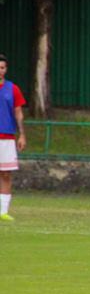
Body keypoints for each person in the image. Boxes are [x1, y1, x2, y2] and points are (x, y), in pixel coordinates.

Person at [0, 54, 27, 222]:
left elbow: (18, 112)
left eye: (2, 67)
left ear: (6, 69)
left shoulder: (13, 88)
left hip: (7, 137)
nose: (0, 71)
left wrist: (22, 134)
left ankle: (3, 211)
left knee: (6, 174)